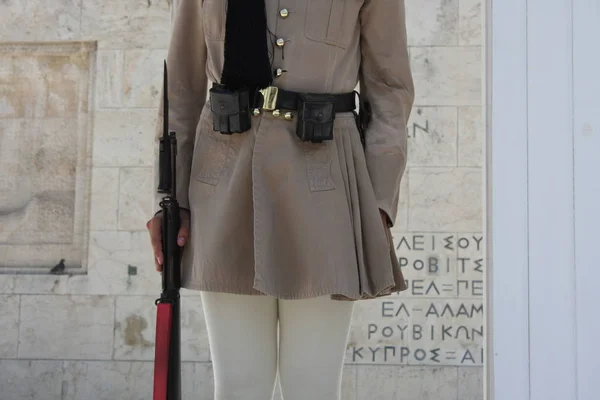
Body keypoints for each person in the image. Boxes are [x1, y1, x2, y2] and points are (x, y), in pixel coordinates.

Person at [146, 0, 414, 398]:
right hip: (223, 187)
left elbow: (389, 90)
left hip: (326, 187)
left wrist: (376, 200)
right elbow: (181, 89)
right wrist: (169, 199)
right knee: (238, 385)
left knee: (313, 386)